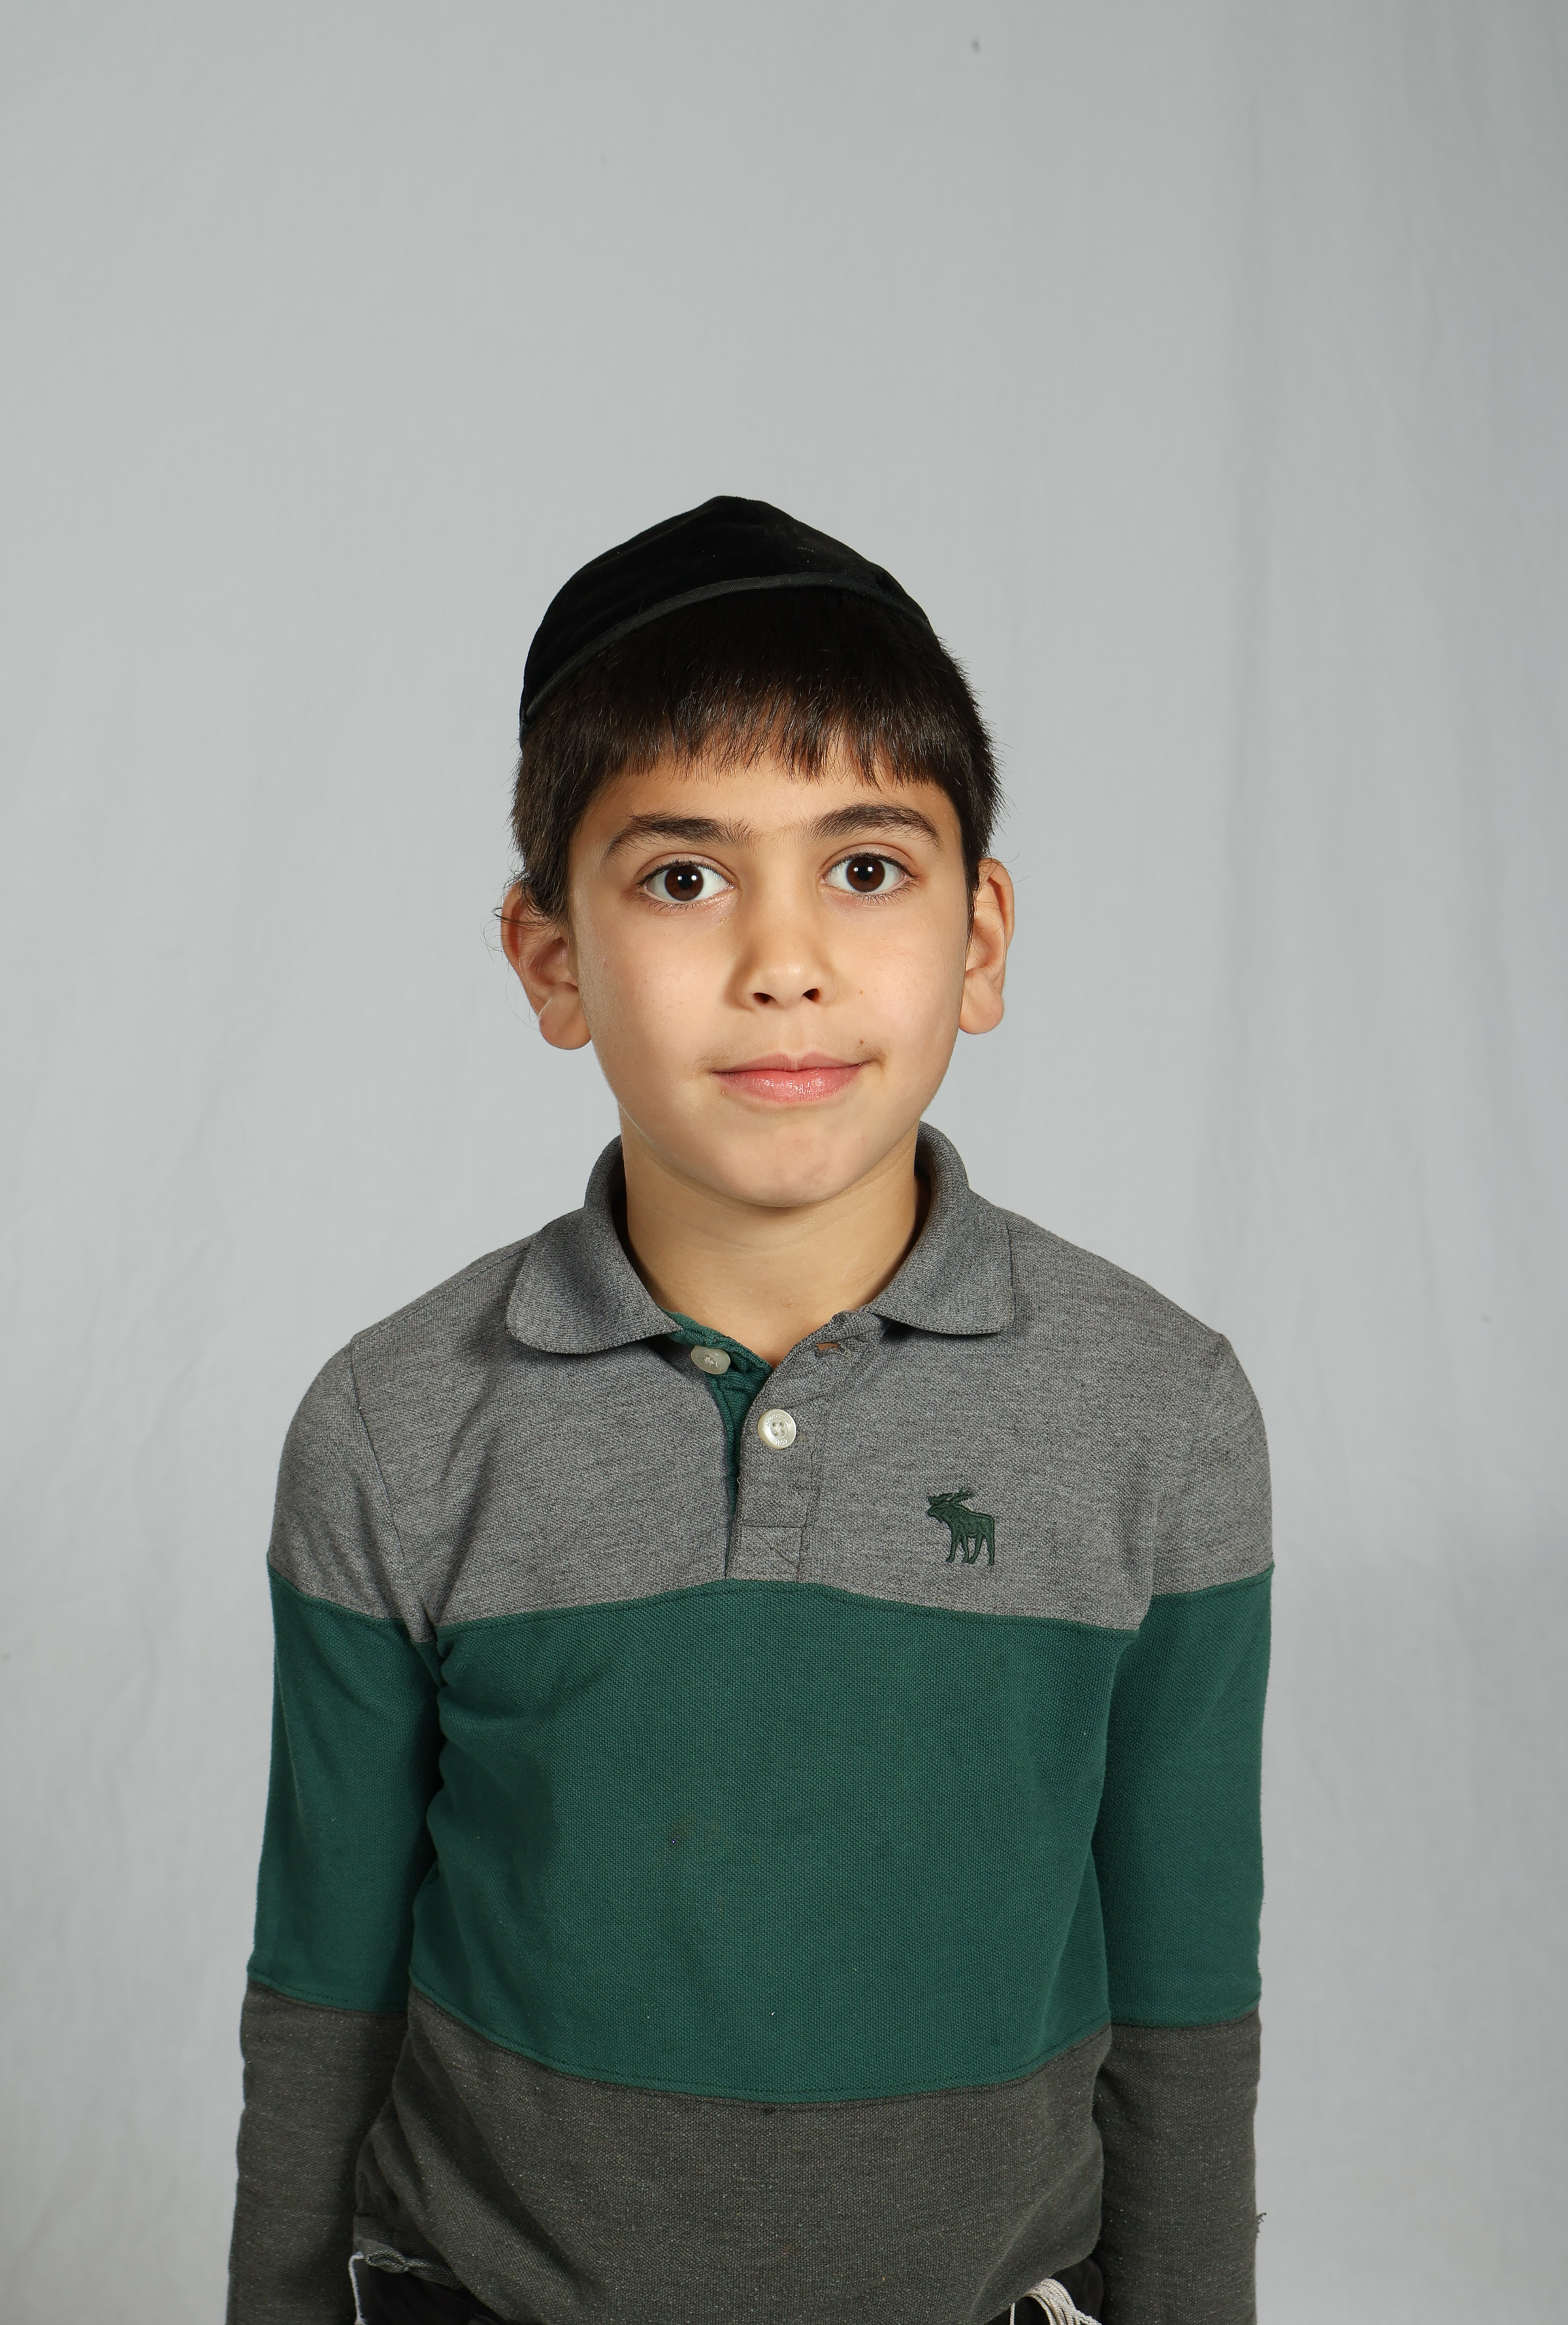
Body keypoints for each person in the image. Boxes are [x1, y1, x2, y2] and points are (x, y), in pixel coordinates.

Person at [228, 497, 1271, 2325]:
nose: (783, 959)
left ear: (981, 937)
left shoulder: (1157, 1410)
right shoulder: (396, 1426)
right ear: (552, 959)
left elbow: (1187, 2000)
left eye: (865, 868)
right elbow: (323, 1984)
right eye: (683, 879)